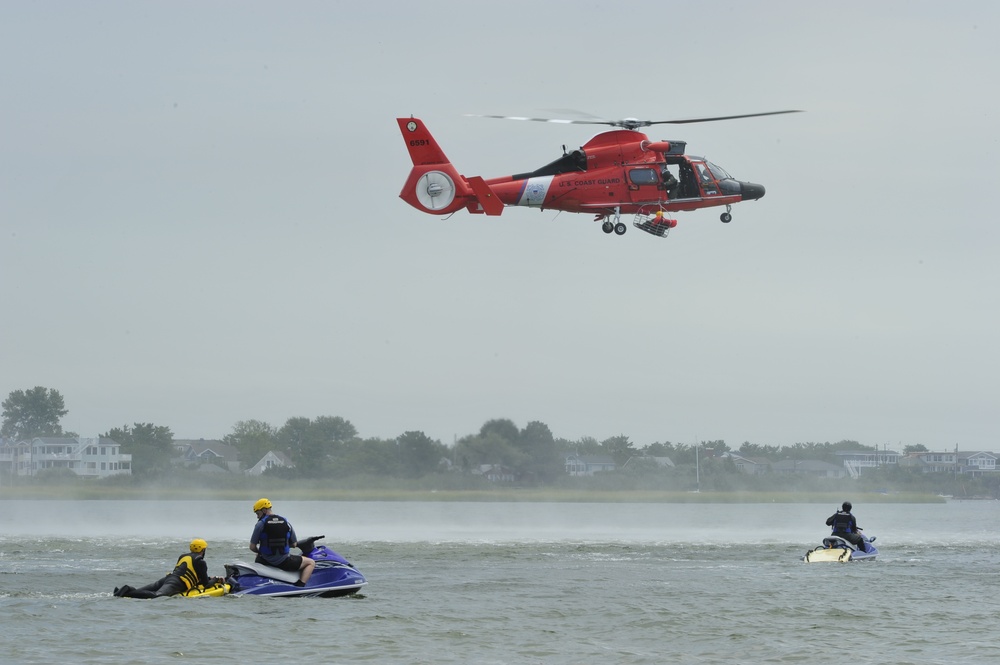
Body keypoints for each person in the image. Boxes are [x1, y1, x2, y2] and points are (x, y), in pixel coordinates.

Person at [114, 538, 221, 598]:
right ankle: (127, 590)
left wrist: (209, 578)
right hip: (176, 583)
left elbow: (190, 573)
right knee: (157, 595)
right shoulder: (201, 561)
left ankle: (125, 591)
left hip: (167, 579)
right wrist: (216, 579)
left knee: (141, 591)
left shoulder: (183, 556)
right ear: (203, 550)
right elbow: (205, 584)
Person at [249, 498, 315, 586]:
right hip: (284, 562)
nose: (257, 516)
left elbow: (252, 547)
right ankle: (301, 585)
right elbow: (294, 544)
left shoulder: (260, 524)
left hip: (264, 561)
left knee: (258, 554)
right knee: (311, 562)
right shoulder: (286, 523)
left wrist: (260, 552)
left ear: (264, 510)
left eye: (258, 513)